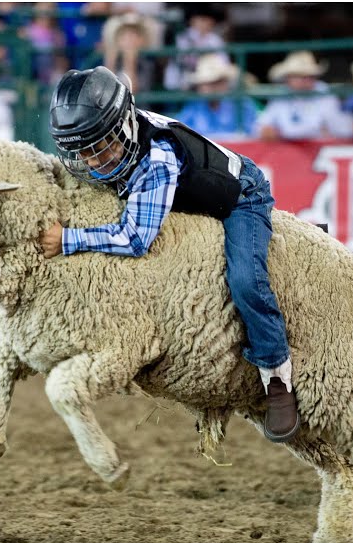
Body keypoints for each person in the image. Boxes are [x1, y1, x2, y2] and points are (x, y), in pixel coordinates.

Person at [39, 66, 299, 441]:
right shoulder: (112, 151)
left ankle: (277, 376)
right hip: (185, 198)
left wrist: (67, 239)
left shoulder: (156, 158)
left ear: (123, 126)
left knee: (246, 281)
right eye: (81, 150)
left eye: (100, 146)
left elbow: (135, 238)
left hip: (239, 196)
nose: (92, 162)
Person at [255, 51, 353, 141]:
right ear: (288, 78)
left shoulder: (324, 94)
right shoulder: (281, 96)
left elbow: (339, 128)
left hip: (318, 151)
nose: (306, 80)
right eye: (299, 76)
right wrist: (268, 131)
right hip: (287, 152)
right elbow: (261, 126)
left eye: (310, 76)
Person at [173, 53, 259, 140]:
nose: (207, 88)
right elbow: (179, 131)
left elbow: (250, 135)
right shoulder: (194, 106)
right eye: (204, 83)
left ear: (225, 83)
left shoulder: (242, 104)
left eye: (215, 82)